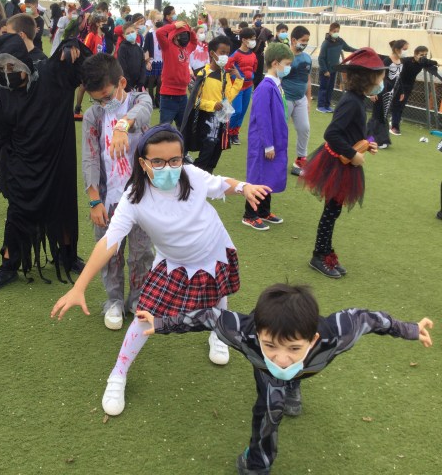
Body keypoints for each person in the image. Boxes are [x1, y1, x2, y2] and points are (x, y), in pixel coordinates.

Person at [51, 124, 272, 416]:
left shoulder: (191, 175)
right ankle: (118, 373)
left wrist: (244, 187)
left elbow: (220, 184)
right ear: (143, 163)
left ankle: (218, 335)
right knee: (145, 315)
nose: (168, 167)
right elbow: (109, 241)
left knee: (219, 293)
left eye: (174, 160)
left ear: (182, 158)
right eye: (157, 161)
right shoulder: (134, 198)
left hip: (215, 250)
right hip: (173, 263)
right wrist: (79, 287)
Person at [136, 283, 434, 475]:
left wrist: (409, 329)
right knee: (269, 407)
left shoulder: (335, 336)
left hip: (310, 365)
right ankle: (257, 465)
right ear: (258, 335)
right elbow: (208, 317)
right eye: (271, 345)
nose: (280, 358)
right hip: (262, 370)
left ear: (313, 339)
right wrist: (162, 323)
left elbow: (369, 318)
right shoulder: (245, 333)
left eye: (293, 348)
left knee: (290, 376)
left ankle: (294, 387)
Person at [0, 36, 89, 291]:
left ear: (23, 61)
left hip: (57, 158)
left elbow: (86, 63)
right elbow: (0, 134)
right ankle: (8, 266)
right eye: (1, 67)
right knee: (18, 212)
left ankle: (66, 254)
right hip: (25, 161)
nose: (7, 72)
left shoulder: (51, 73)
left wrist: (71, 44)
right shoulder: (3, 93)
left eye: (12, 65)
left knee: (62, 207)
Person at [81, 54, 154, 330]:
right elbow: (90, 157)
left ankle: (138, 300)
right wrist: (94, 201)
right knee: (109, 252)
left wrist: (123, 126)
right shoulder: (93, 116)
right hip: (108, 197)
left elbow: (144, 110)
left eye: (107, 97)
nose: (103, 103)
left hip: (142, 197)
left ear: (121, 83)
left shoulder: (138, 100)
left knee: (141, 252)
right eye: (96, 99)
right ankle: (113, 301)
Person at [300, 48, 383, 278]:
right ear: (367, 78)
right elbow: (332, 133)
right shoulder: (351, 102)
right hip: (337, 163)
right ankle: (319, 255)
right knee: (330, 212)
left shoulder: (358, 100)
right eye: (379, 78)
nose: (381, 82)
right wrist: (353, 154)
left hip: (343, 162)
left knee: (333, 211)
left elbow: (353, 131)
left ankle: (326, 253)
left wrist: (368, 143)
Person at [242, 42, 293, 231]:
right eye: (287, 64)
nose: (288, 68)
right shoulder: (265, 87)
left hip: (273, 138)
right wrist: (268, 144)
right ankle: (250, 214)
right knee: (258, 175)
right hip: (264, 141)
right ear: (275, 63)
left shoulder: (275, 85)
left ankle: (264, 211)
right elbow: (262, 117)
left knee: (268, 175)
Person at [180, 35, 243, 174]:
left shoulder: (225, 74)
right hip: (206, 120)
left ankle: (207, 178)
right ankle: (193, 177)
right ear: (212, 53)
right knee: (207, 150)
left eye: (227, 53)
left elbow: (228, 97)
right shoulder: (203, 73)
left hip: (221, 119)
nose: (225, 56)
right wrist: (212, 105)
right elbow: (195, 101)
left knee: (216, 152)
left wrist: (238, 80)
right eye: (222, 52)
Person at [282, 25, 312, 176]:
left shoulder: (307, 58)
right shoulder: (284, 57)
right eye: (303, 40)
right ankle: (276, 159)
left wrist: (308, 99)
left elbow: (308, 79)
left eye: (307, 41)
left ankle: (300, 161)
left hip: (301, 100)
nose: (305, 43)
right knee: (280, 129)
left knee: (304, 128)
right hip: (285, 99)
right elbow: (276, 77)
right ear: (293, 40)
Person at [367, 39, 408, 149]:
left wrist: (402, 91)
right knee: (378, 115)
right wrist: (373, 92)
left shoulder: (400, 61)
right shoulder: (387, 61)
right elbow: (377, 76)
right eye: (404, 49)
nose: (405, 52)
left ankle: (377, 139)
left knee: (383, 115)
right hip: (381, 91)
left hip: (391, 92)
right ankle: (374, 139)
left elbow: (398, 78)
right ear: (397, 49)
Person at [390, 45, 438, 136]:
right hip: (399, 85)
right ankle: (394, 126)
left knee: (401, 106)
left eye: (425, 55)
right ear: (415, 55)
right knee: (397, 105)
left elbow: (434, 62)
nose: (424, 57)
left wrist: (436, 63)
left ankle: (394, 121)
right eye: (421, 55)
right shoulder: (406, 61)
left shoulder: (423, 62)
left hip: (409, 86)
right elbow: (393, 62)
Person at [157, 21, 197, 127]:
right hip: (168, 96)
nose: (185, 37)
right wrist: (173, 26)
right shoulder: (167, 47)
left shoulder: (186, 49)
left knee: (183, 127)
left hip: (183, 95)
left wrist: (191, 31)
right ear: (174, 36)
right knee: (165, 128)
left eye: (186, 34)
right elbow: (159, 33)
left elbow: (194, 43)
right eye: (182, 34)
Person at [317, 22, 357, 113]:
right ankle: (320, 106)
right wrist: (325, 70)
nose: (336, 33)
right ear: (330, 31)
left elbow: (348, 48)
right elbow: (321, 58)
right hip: (325, 71)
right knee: (324, 88)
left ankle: (327, 105)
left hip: (334, 69)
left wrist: (358, 50)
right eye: (334, 31)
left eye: (337, 31)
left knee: (330, 88)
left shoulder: (340, 41)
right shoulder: (326, 43)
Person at [227, 27, 258, 146]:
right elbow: (227, 68)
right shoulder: (235, 55)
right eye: (252, 39)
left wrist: (250, 77)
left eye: (254, 39)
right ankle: (228, 133)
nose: (254, 41)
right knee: (237, 111)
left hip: (248, 87)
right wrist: (235, 78)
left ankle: (235, 134)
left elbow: (254, 69)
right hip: (237, 87)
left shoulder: (253, 55)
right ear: (244, 40)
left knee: (243, 112)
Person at [117, 22, 146, 92]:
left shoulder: (139, 49)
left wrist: (141, 82)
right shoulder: (123, 48)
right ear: (124, 36)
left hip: (138, 85)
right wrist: (128, 85)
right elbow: (122, 67)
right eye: (127, 33)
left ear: (136, 31)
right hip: (127, 85)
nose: (130, 34)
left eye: (132, 32)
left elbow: (143, 66)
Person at [143, 16, 163, 108]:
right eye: (157, 20)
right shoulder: (150, 34)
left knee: (160, 80)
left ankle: (158, 98)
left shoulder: (163, 33)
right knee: (151, 81)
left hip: (161, 60)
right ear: (153, 21)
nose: (159, 22)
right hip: (152, 60)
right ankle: (151, 99)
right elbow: (145, 48)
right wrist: (147, 61)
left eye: (161, 20)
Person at [252, 14, 272, 88]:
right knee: (251, 72)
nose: (259, 21)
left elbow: (271, 39)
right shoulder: (250, 30)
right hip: (251, 54)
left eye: (260, 20)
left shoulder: (265, 30)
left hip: (260, 55)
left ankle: (257, 88)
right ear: (253, 20)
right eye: (257, 19)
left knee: (259, 73)